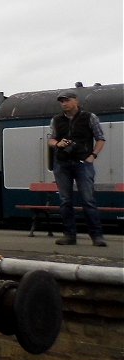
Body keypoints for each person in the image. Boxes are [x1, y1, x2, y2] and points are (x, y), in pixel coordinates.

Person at [48, 91, 107, 246]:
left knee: (88, 200)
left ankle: (97, 236)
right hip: (62, 163)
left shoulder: (89, 117)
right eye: (61, 101)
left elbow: (100, 138)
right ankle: (69, 236)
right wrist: (57, 144)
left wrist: (92, 156)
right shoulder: (56, 119)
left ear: (76, 101)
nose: (64, 104)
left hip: (83, 163)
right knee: (65, 201)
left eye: (66, 100)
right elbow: (51, 139)